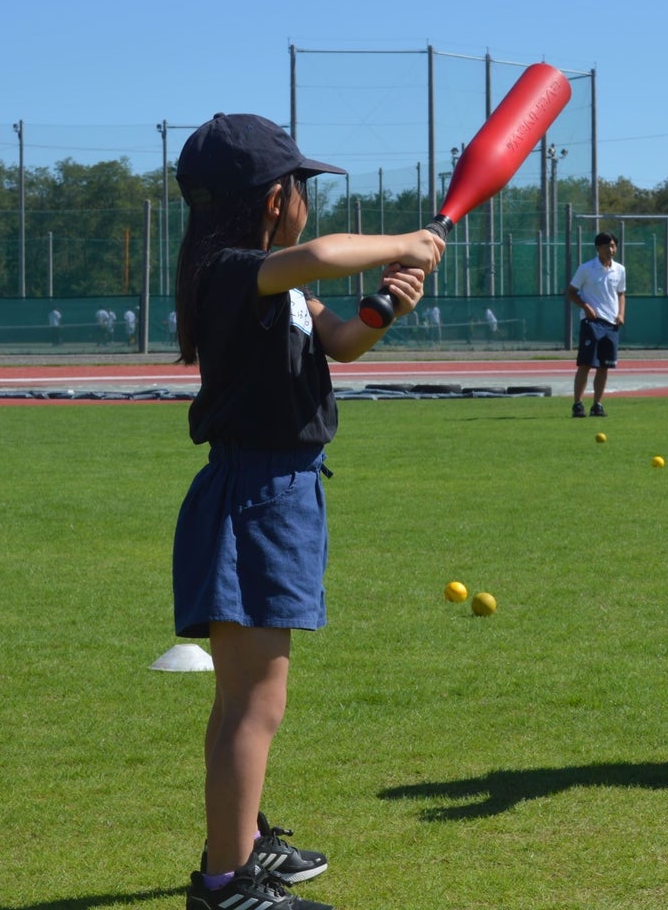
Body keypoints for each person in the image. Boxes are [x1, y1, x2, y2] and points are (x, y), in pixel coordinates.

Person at [172, 112, 444, 910]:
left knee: (244, 699)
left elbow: (337, 342)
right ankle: (227, 884)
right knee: (256, 703)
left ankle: (244, 845)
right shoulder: (231, 270)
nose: (306, 202)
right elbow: (325, 257)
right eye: (300, 186)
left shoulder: (269, 285)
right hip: (257, 491)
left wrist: (384, 308)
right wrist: (404, 240)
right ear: (271, 200)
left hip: (275, 488)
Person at [566, 232, 626, 417]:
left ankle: (597, 405)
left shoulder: (620, 270)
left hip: (611, 323)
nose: (611, 250)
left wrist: (621, 313)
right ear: (598, 248)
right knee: (585, 364)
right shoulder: (586, 268)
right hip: (592, 322)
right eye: (607, 246)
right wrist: (586, 307)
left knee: (604, 366)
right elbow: (571, 291)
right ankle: (577, 404)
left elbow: (621, 293)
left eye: (613, 246)